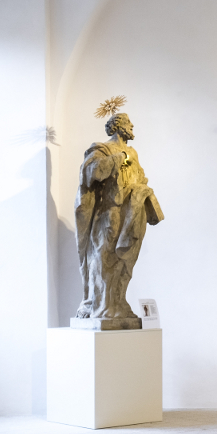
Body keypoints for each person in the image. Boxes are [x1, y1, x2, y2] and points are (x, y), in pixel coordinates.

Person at [74, 112, 163, 326]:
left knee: (124, 262)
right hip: (109, 211)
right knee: (104, 257)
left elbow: (140, 177)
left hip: (131, 212)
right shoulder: (102, 148)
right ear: (117, 125)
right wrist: (117, 159)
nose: (132, 126)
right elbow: (91, 172)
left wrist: (144, 192)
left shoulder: (133, 153)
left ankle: (118, 303)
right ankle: (101, 306)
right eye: (128, 122)